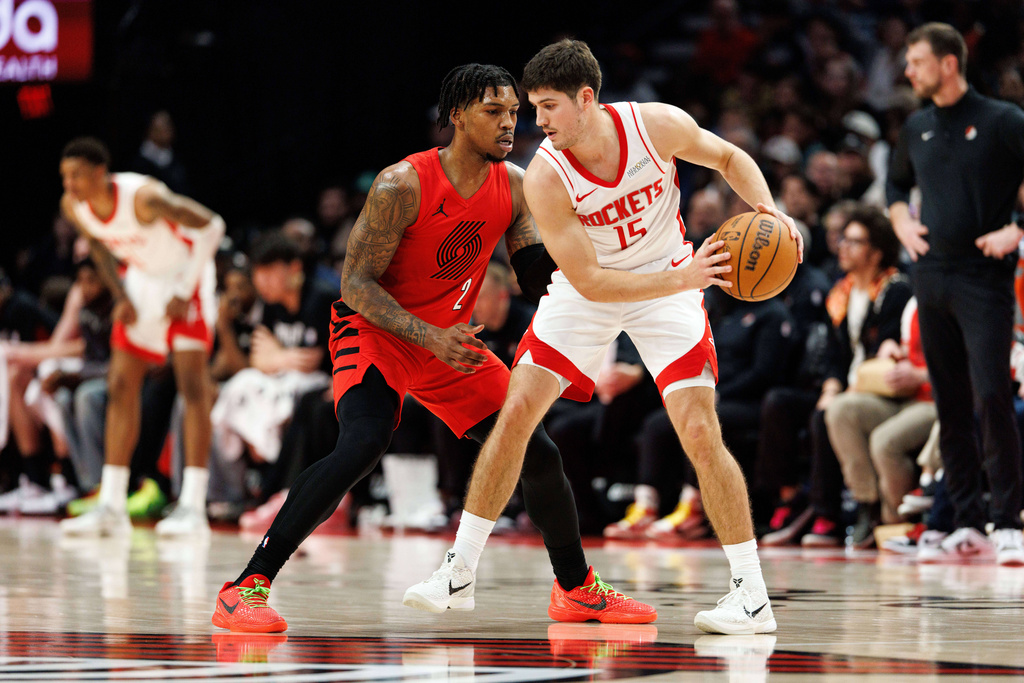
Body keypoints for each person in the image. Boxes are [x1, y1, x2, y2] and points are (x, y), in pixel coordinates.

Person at [211, 64, 656, 633]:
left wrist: (609, 258)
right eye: (493, 112)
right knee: (363, 443)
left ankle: (576, 590)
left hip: (448, 342)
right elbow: (355, 285)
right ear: (456, 116)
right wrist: (427, 336)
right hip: (376, 332)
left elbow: (537, 276)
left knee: (536, 450)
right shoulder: (403, 184)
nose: (508, 124)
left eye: (514, 112)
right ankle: (245, 587)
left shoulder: (516, 186)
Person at [408, 39, 803, 635]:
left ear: (586, 99)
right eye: (531, 108)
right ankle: (459, 571)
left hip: (670, 285)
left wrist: (770, 211)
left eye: (546, 107)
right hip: (592, 292)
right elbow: (590, 281)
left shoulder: (657, 125)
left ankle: (751, 594)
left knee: (699, 428)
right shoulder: (546, 175)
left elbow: (727, 158)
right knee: (515, 413)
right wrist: (682, 276)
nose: (535, 122)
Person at [887, 22, 1024, 566]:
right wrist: (900, 221)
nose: (909, 71)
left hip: (983, 279)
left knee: (992, 394)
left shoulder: (1002, 120)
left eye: (917, 61)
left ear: (949, 63)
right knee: (950, 400)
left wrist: (1018, 228)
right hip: (931, 275)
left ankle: (1009, 521)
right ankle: (967, 522)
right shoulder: (916, 126)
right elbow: (897, 186)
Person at [56, 137, 224, 537]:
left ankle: (193, 508)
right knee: (119, 384)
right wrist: (120, 294)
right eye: (64, 176)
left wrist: (185, 289)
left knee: (191, 387)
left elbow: (212, 225)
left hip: (187, 274)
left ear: (101, 172)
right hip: (143, 279)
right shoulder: (73, 206)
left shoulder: (143, 197)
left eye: (77, 175)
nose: (70, 184)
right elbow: (98, 244)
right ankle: (112, 505)